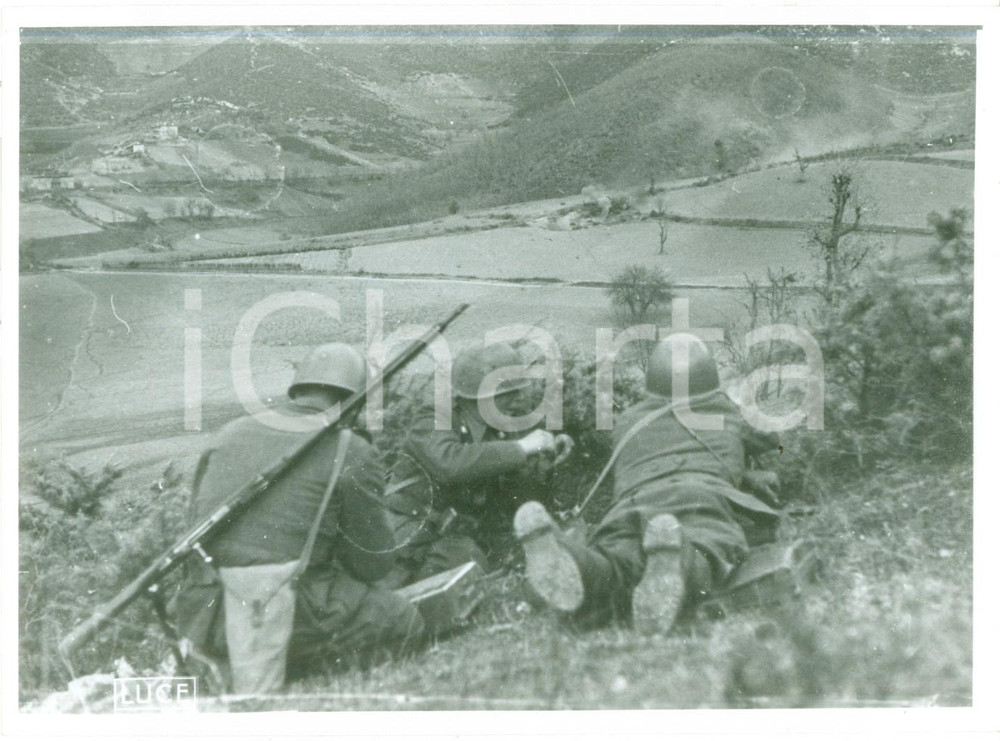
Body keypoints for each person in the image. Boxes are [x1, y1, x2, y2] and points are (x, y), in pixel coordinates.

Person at [175, 343, 425, 689]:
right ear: (354, 400)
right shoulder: (350, 448)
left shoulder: (229, 434)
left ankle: (236, 666)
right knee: (402, 619)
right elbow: (373, 565)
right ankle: (293, 673)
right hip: (281, 607)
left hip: (207, 615)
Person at [513, 333, 782, 633]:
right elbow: (774, 440)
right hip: (698, 495)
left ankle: (576, 562)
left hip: (631, 504)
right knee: (708, 547)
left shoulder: (628, 420)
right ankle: (676, 559)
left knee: (615, 560)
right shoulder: (726, 412)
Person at [382, 342, 573, 587]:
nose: (518, 400)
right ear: (478, 397)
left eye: (517, 391)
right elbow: (449, 463)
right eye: (508, 394)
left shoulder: (500, 430)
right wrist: (522, 447)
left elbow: (514, 499)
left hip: (453, 538)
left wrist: (542, 467)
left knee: (470, 569)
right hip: (407, 531)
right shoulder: (434, 417)